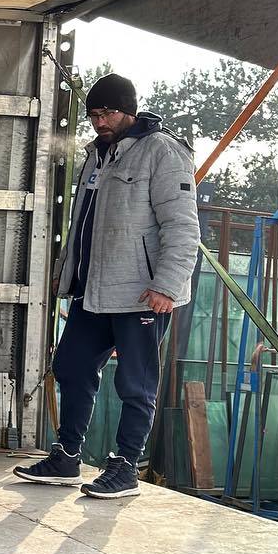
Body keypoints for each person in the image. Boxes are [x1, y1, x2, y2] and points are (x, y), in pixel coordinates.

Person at [14, 74, 200, 498]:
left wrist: (167, 286)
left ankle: (126, 467)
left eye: (108, 113)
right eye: (94, 115)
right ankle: (67, 457)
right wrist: (66, 270)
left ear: (128, 110)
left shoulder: (163, 152)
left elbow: (183, 227)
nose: (100, 122)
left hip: (142, 295)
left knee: (135, 383)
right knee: (71, 367)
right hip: (93, 290)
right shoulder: (97, 155)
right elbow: (81, 222)